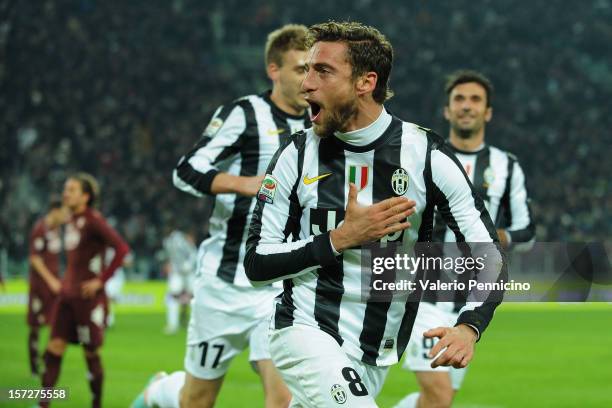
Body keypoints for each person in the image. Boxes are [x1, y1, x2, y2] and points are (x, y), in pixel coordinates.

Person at [244, 21, 506, 407]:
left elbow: (491, 256)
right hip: (303, 329)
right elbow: (256, 262)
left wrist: (469, 325)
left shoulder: (426, 156)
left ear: (365, 82)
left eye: (323, 71)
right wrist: (339, 239)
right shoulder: (295, 155)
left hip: (374, 350)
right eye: (307, 70)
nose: (305, 85)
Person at [132, 24, 311, 408]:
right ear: (274, 70)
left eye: (313, 69)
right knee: (196, 399)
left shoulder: (320, 125)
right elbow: (187, 170)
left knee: (283, 398)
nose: (308, 78)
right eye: (299, 69)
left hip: (279, 286)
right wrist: (248, 184)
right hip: (225, 284)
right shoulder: (245, 114)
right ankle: (157, 393)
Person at [395, 70, 535, 408]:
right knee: (439, 395)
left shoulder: (507, 167)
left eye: (475, 100)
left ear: (487, 112)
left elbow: (527, 232)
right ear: (447, 110)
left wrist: (488, 235)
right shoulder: (424, 158)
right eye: (459, 99)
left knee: (439, 401)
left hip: (469, 303)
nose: (466, 106)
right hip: (421, 297)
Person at [40, 173, 129, 408]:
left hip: (87, 301)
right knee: (53, 350)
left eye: (71, 190)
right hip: (66, 297)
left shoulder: (93, 220)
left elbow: (121, 249)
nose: (65, 193)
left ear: (85, 196)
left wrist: (101, 281)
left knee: (90, 354)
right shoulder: (70, 220)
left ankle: (96, 404)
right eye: (65, 189)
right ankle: (42, 403)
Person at [26, 196, 67, 376]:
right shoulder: (40, 229)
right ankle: (35, 366)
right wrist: (51, 280)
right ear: (55, 211)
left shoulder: (57, 230)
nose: (67, 216)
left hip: (54, 287)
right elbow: (35, 259)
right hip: (39, 287)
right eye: (64, 212)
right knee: (35, 326)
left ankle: (45, 361)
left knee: (57, 325)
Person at [162, 228, 197, 334]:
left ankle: (190, 324)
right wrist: (169, 264)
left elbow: (192, 254)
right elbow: (172, 256)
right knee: (174, 297)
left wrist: (189, 265)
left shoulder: (177, 240)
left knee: (192, 298)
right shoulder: (168, 241)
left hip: (188, 272)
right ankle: (174, 325)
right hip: (178, 272)